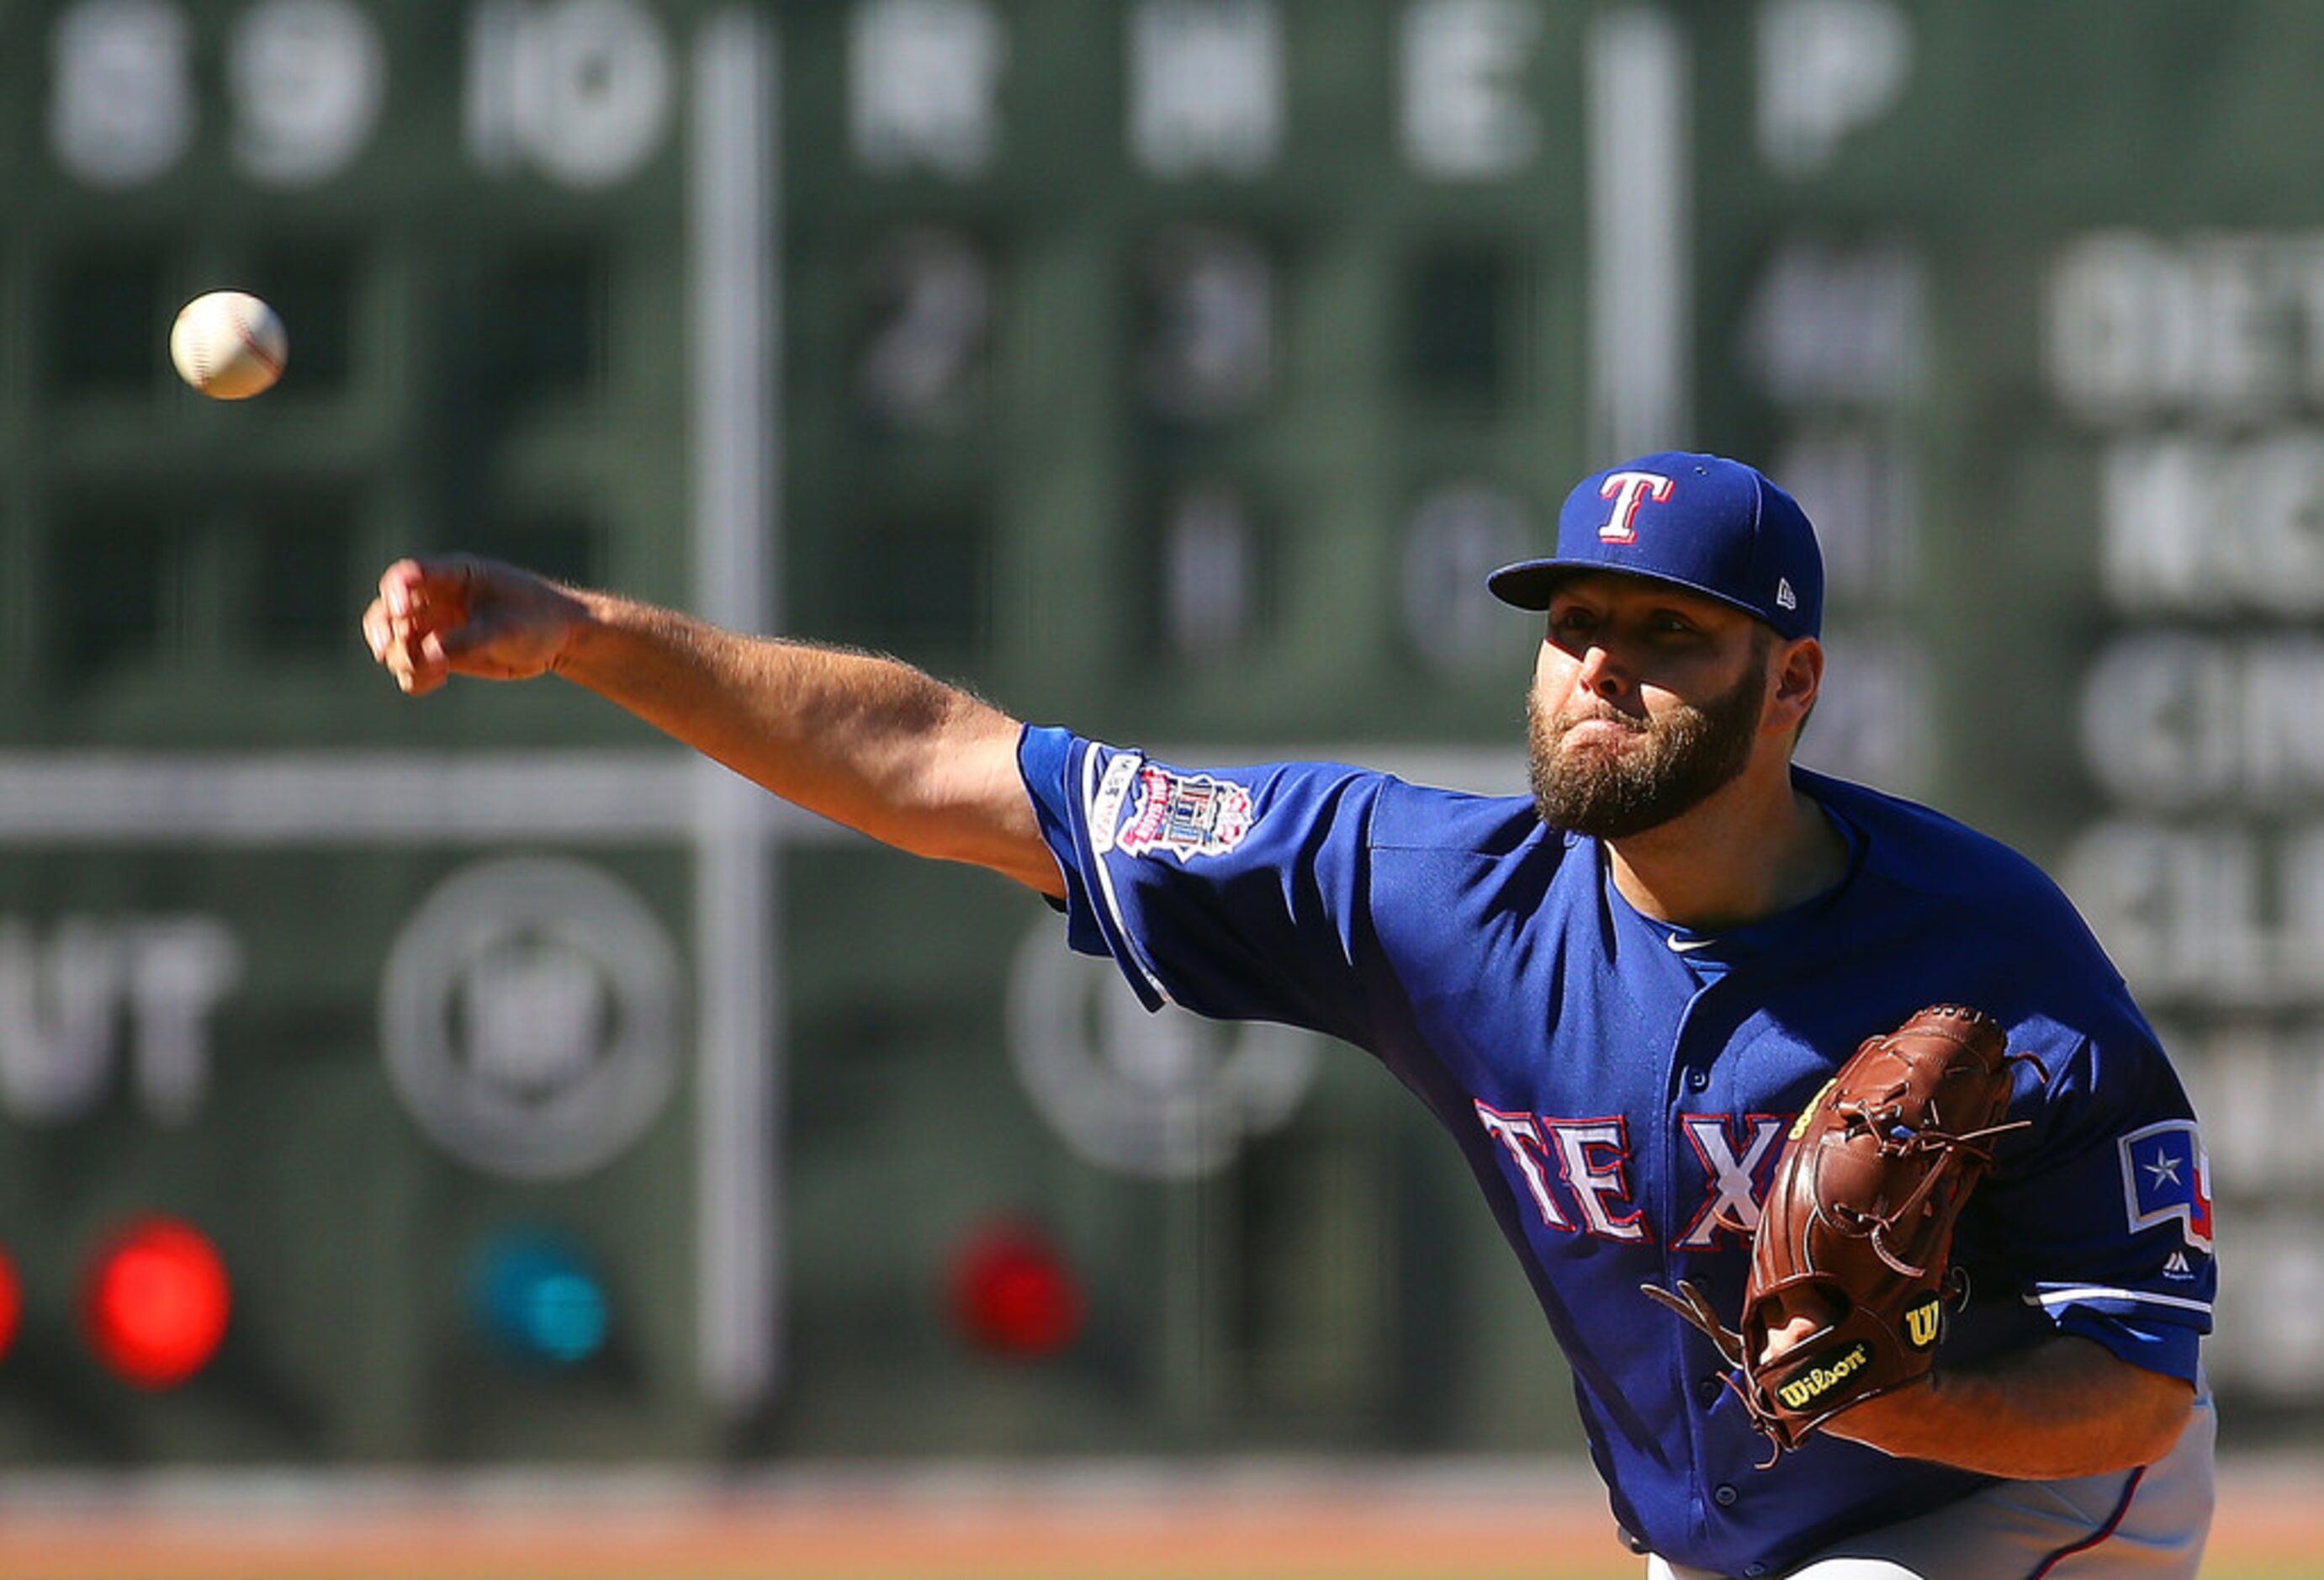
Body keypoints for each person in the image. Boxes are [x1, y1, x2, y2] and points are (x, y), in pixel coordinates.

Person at [363, 451, 2215, 1578]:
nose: (1599, 671)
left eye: (1667, 637)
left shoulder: (1987, 951)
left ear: (1789, 680)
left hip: (2003, 1523)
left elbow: (2130, 1391)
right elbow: (940, 763)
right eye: (1573, 623)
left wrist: (1906, 1393)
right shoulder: (1423, 892)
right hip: (1725, 1531)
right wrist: (591, 632)